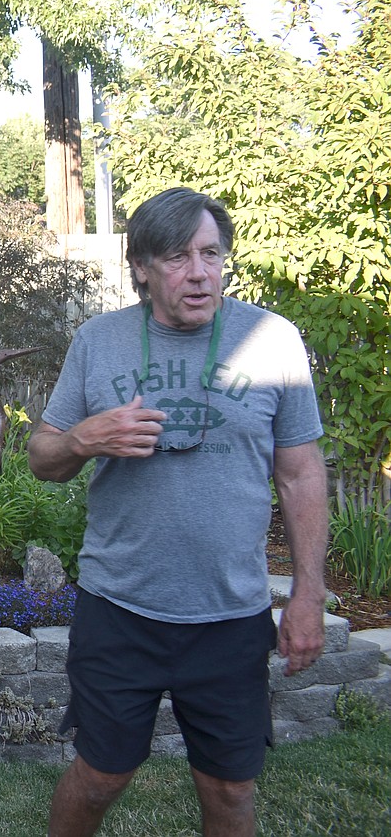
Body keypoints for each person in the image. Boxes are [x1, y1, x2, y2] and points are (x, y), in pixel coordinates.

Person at [28, 187, 329, 836]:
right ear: (140, 267)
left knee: (229, 790)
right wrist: (85, 438)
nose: (199, 273)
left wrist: (308, 594)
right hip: (120, 612)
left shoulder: (272, 340)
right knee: (100, 777)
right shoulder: (99, 341)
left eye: (210, 253)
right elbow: (42, 457)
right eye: (177, 256)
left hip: (230, 617)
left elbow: (301, 472)